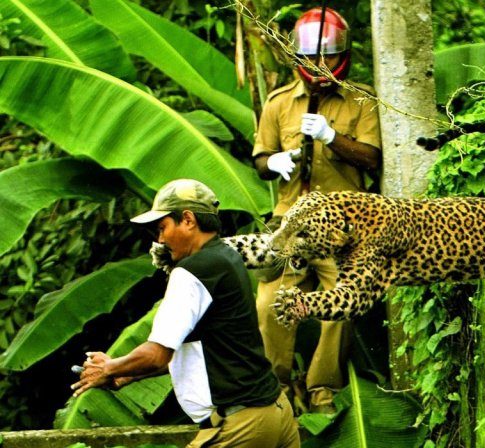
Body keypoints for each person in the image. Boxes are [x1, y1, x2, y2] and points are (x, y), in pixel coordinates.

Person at [70, 179, 300, 448]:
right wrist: (128, 374)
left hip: (241, 426)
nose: (160, 239)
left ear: (188, 220)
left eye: (163, 227)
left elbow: (156, 355)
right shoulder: (227, 257)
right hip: (275, 413)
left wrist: (108, 367)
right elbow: (207, 353)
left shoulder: (192, 272)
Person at [252, 7, 382, 413]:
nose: (319, 64)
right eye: (311, 57)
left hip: (343, 223)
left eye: (327, 56)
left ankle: (322, 389)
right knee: (270, 304)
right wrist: (273, 162)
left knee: (342, 302)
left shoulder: (360, 101)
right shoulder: (278, 104)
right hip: (289, 218)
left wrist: (332, 138)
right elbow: (260, 158)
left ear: (342, 56)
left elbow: (371, 158)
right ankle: (279, 389)